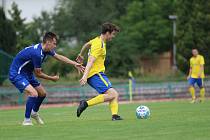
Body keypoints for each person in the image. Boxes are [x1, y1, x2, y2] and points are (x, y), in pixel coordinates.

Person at [9, 32, 84, 125]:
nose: (55, 46)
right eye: (54, 43)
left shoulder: (45, 50)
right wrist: (52, 78)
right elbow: (38, 73)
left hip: (27, 73)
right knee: (33, 93)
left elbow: (59, 57)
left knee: (42, 94)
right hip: (17, 73)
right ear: (48, 42)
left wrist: (74, 64)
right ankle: (26, 120)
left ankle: (34, 112)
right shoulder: (37, 53)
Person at [76, 22, 123, 121]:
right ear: (107, 33)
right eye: (113, 34)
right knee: (113, 94)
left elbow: (87, 44)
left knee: (114, 94)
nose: (113, 36)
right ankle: (85, 104)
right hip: (96, 74)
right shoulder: (99, 45)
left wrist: (81, 54)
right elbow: (90, 61)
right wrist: (84, 76)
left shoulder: (96, 40)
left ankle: (115, 115)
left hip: (96, 74)